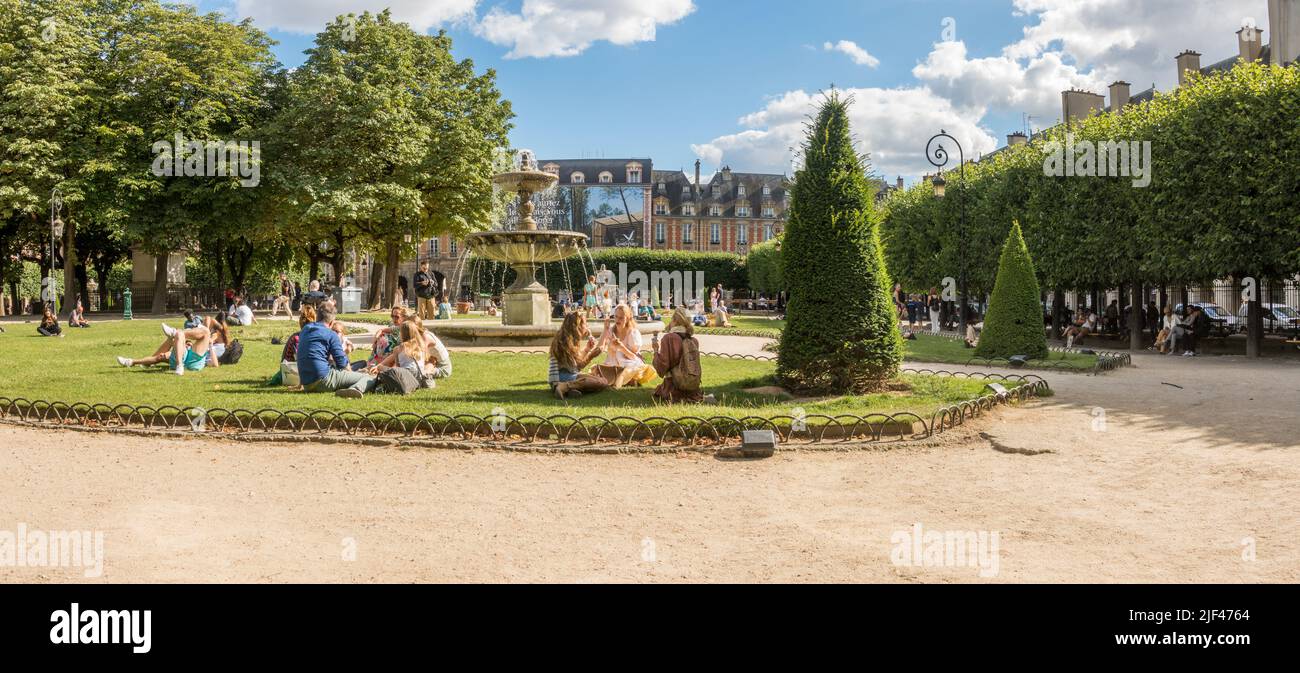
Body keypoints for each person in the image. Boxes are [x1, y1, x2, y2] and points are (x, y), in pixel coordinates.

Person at [298, 302, 376, 398]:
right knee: (370, 377)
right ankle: (355, 389)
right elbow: (342, 363)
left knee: (356, 369)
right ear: (331, 322)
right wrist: (352, 375)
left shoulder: (305, 330)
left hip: (306, 383)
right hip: (323, 380)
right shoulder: (331, 334)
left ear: (317, 316)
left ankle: (353, 382)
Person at [651, 308, 708, 403]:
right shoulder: (694, 341)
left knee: (659, 390)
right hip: (692, 388)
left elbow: (662, 366)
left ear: (675, 320)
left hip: (674, 387)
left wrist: (656, 350)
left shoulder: (669, 338)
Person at [548, 312, 608, 400]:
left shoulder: (565, 337)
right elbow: (578, 367)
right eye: (585, 324)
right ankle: (564, 386)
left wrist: (587, 349)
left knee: (597, 380)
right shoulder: (567, 342)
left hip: (560, 376)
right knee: (602, 382)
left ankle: (570, 390)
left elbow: (575, 363)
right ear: (578, 326)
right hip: (563, 377)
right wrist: (591, 355)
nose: (587, 327)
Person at [116, 322, 214, 375]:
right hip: (188, 357)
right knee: (179, 336)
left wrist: (211, 345)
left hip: (193, 359)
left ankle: (175, 333)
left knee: (205, 331)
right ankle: (132, 362)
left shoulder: (216, 338)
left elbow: (215, 363)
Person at [595, 304, 651, 389]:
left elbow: (633, 356)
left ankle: (624, 379)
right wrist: (605, 330)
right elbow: (599, 348)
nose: (617, 320)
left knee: (624, 368)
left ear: (627, 318)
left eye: (621, 318)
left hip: (629, 363)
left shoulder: (632, 333)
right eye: (616, 317)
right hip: (612, 363)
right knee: (597, 371)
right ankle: (624, 380)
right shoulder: (611, 331)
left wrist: (621, 347)